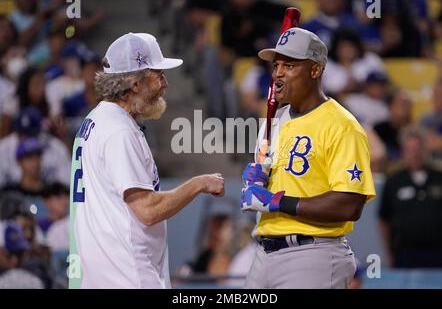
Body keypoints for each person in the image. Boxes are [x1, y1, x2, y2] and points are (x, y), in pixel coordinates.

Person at [69, 32, 225, 289]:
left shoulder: (95, 120)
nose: (165, 84)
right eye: (158, 75)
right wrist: (200, 183)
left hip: (100, 276)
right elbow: (148, 210)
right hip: (126, 275)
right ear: (135, 84)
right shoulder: (119, 131)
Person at [239, 27, 376, 288]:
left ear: (315, 70)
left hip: (313, 253)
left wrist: (277, 201)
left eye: (289, 65)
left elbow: (349, 204)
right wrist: (259, 180)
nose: (278, 72)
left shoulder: (341, 125)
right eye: (276, 64)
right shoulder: (276, 119)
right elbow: (272, 185)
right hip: (263, 253)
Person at [379, 127, 442, 268]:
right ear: (403, 152)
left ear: (427, 150)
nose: (415, 154)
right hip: (405, 254)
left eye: (419, 148)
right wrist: (389, 252)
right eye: (410, 149)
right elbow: (384, 219)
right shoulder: (394, 182)